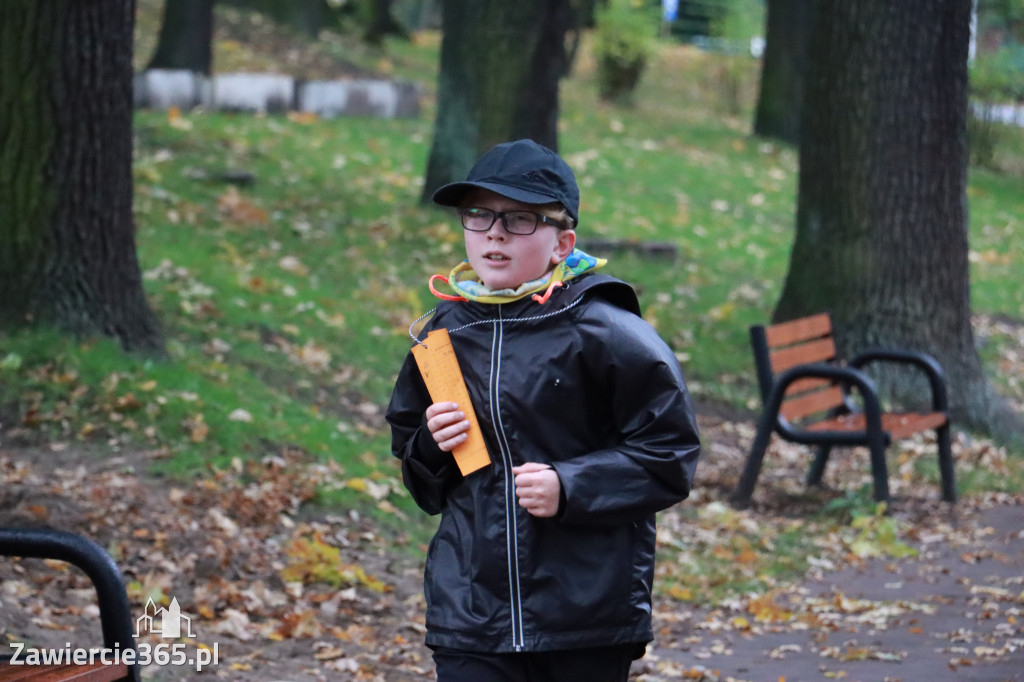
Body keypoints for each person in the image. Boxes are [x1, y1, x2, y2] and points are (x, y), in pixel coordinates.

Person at [386, 139, 701, 682]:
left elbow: (670, 455)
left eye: (521, 219)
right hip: (471, 614)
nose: (495, 232)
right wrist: (430, 445)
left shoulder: (606, 330)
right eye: (479, 215)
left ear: (563, 243)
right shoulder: (443, 335)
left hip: (585, 615)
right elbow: (424, 486)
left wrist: (570, 485)